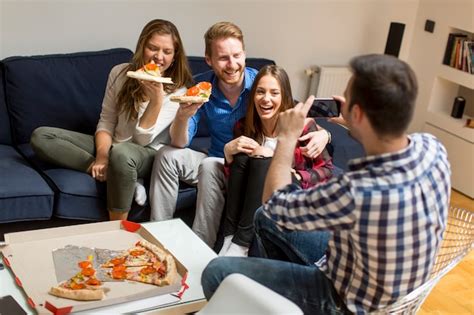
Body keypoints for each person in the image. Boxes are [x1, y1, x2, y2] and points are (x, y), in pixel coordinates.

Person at [201, 54, 451, 314]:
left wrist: (287, 138)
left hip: (344, 301)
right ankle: (274, 303)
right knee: (262, 218)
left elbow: (277, 205)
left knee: (217, 272)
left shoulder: (359, 189)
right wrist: (352, 122)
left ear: (358, 112)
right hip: (387, 280)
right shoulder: (432, 148)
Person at [149, 21, 330, 248]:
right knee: (167, 154)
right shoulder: (201, 87)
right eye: (223, 57)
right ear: (209, 59)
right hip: (217, 159)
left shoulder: (261, 85)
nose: (232, 64)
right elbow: (179, 142)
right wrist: (183, 116)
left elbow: (295, 112)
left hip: (248, 167)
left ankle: (199, 246)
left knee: (209, 168)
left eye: (237, 55)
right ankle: (158, 235)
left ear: (244, 54)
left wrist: (325, 135)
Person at [30, 19, 193, 221]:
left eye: (167, 51)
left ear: (175, 56)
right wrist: (102, 157)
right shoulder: (120, 73)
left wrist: (156, 100)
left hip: (148, 153)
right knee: (42, 136)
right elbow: (106, 122)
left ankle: (116, 229)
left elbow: (142, 141)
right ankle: (121, 177)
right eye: (153, 48)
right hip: (116, 146)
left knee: (122, 153)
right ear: (142, 46)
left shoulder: (179, 91)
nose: (159, 57)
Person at [219, 65, 334, 257]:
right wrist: (228, 156)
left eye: (274, 93)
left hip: (292, 188)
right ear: (253, 96)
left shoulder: (302, 126)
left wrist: (296, 173)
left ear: (284, 97)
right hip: (257, 190)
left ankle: (242, 243)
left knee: (263, 158)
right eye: (260, 92)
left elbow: (328, 171)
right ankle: (229, 237)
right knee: (242, 156)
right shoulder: (243, 126)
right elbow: (236, 178)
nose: (266, 99)